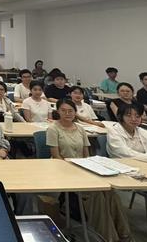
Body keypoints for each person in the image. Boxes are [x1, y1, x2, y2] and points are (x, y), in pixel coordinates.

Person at [48, 98, 132, 241]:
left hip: (82, 168)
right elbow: (56, 157)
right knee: (96, 196)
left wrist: (88, 169)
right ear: (58, 112)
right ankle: (109, 237)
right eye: (63, 111)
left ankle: (124, 234)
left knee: (110, 193)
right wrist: (75, 171)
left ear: (75, 112)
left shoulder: (80, 128)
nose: (67, 114)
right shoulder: (53, 129)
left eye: (70, 111)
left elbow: (86, 154)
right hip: (63, 170)